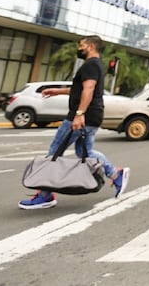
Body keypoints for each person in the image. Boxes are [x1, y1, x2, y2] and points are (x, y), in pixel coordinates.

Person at [19, 35, 130, 209]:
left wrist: (79, 114)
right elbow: (80, 88)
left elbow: (89, 89)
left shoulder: (90, 65)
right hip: (93, 115)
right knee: (85, 151)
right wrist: (58, 91)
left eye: (82, 45)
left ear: (91, 46)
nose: (79, 48)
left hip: (81, 116)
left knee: (54, 152)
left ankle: (45, 196)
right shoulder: (97, 65)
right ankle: (116, 174)